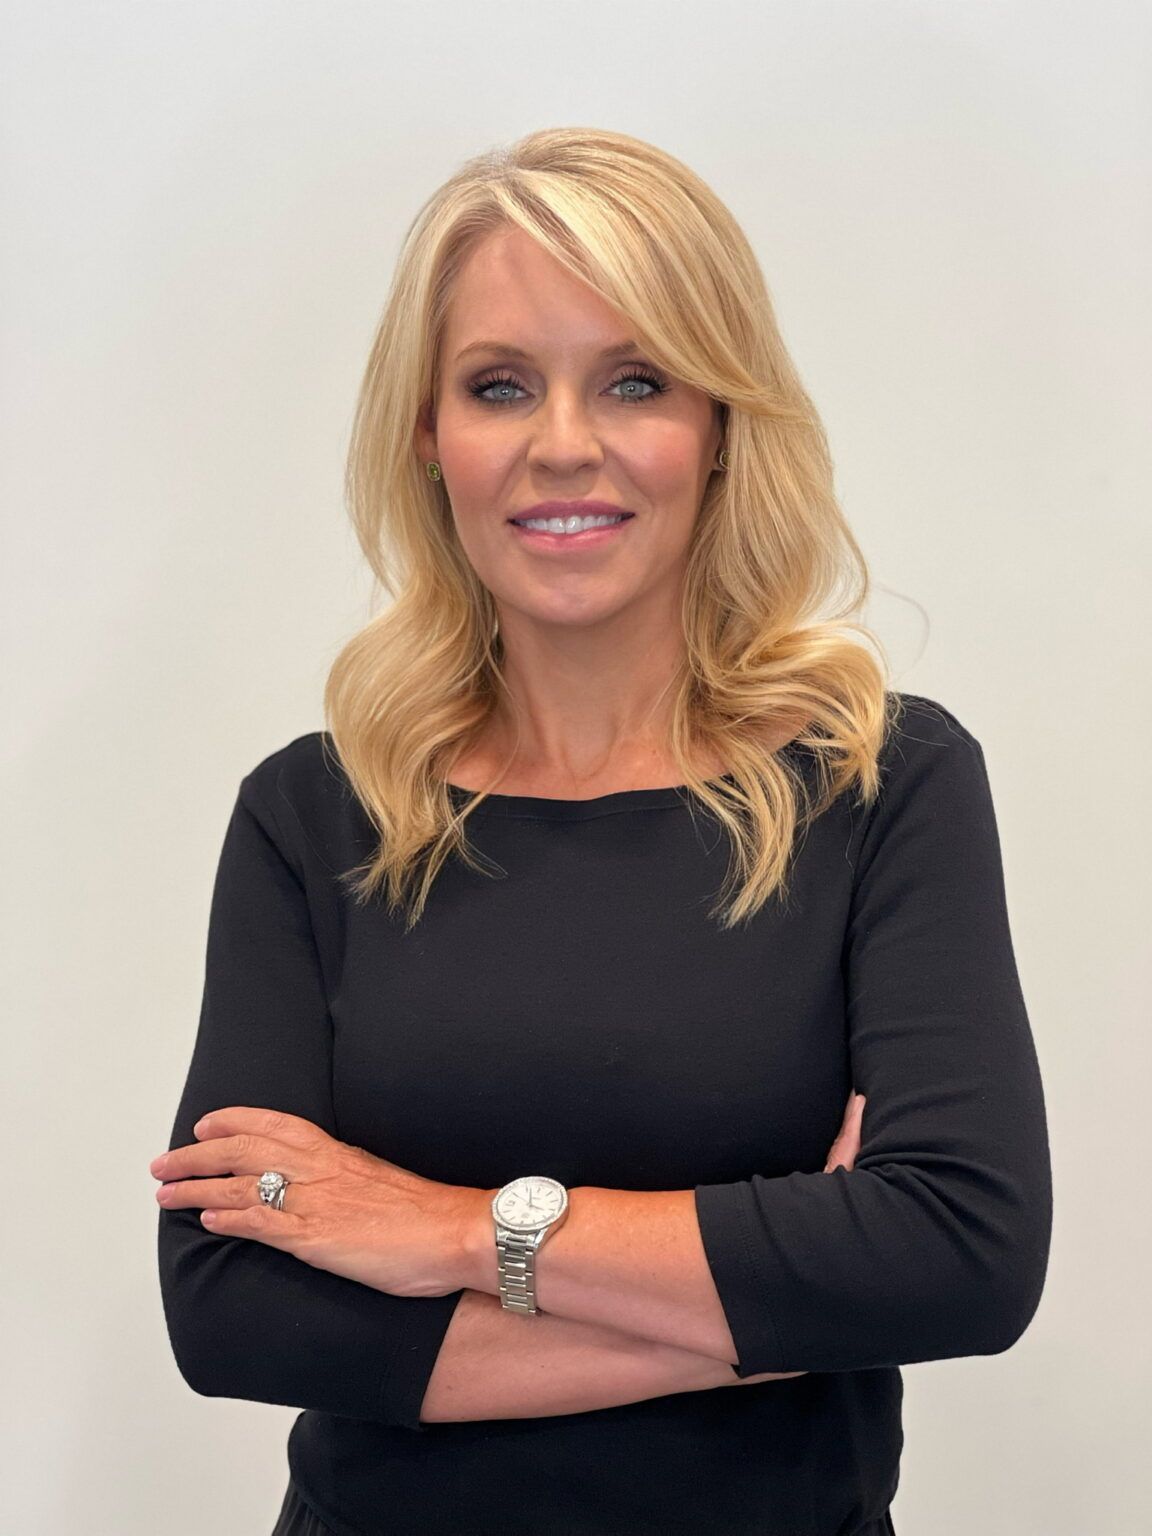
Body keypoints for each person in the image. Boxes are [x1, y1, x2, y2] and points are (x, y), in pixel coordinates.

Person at [152, 126, 1052, 1536]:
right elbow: (232, 1310)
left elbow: (962, 1253)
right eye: (499, 386)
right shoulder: (317, 815)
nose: (562, 444)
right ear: (429, 442)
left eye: (635, 381)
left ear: (719, 431)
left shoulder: (881, 784)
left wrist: (446, 1232)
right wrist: (772, 1304)